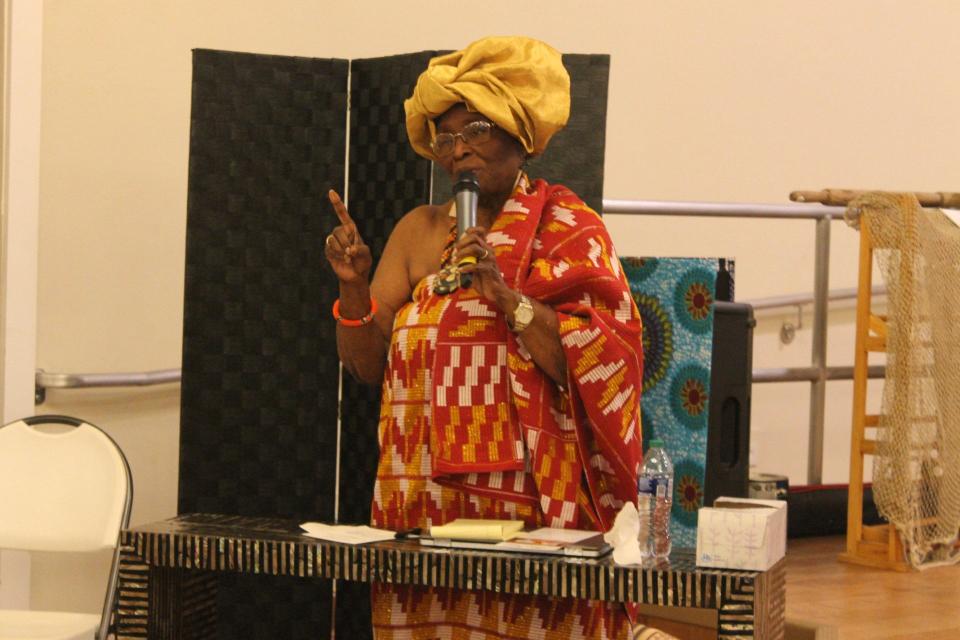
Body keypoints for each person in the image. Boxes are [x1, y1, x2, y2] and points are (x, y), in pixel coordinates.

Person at [325, 36, 643, 640]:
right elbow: (367, 367)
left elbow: (606, 365)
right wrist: (355, 287)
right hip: (418, 503)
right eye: (445, 137)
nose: (459, 150)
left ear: (519, 136)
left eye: (476, 129)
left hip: (526, 512)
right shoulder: (417, 232)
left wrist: (505, 295)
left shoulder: (570, 229)